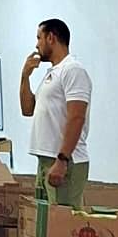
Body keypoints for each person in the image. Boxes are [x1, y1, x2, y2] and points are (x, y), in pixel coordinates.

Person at [20, 19, 92, 207]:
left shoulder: (73, 70)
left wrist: (62, 159)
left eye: (39, 38)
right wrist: (25, 77)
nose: (37, 44)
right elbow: (27, 110)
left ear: (51, 37)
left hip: (65, 161)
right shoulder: (51, 73)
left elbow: (77, 117)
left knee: (62, 227)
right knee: (46, 226)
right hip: (45, 159)